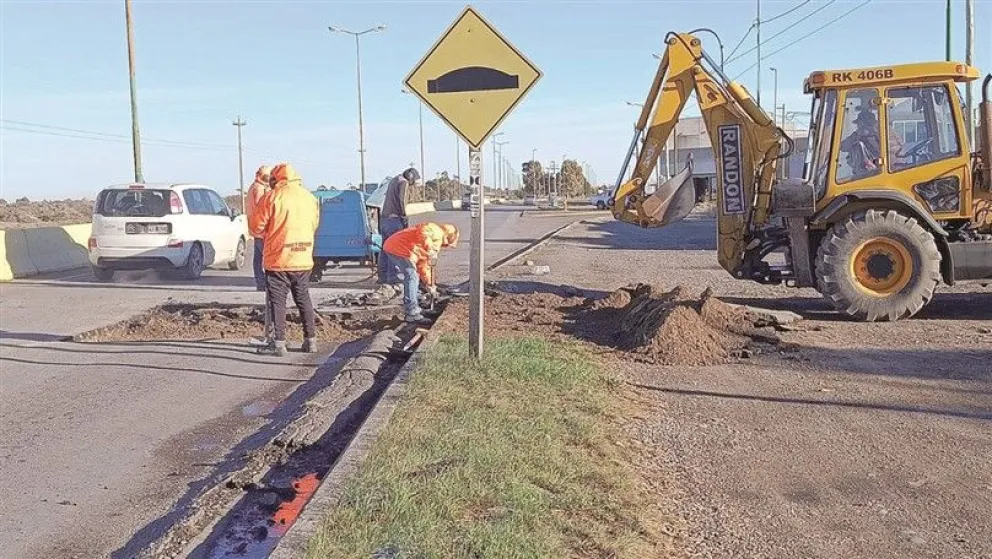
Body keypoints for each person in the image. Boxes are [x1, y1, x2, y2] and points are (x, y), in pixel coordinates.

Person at [248, 163, 320, 356]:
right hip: (303, 257)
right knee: (303, 298)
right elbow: (314, 224)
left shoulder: (272, 197)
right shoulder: (310, 198)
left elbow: (256, 227)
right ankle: (311, 341)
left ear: (275, 179)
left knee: (278, 302)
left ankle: (279, 343)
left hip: (278, 259)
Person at [382, 222, 459, 325]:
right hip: (399, 248)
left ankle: (416, 308)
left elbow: (423, 266)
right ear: (450, 236)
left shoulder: (435, 241)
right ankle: (412, 313)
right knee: (412, 276)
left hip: (399, 248)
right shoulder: (436, 231)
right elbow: (423, 231)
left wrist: (430, 284)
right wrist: (430, 249)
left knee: (414, 276)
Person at [377, 167, 421, 291]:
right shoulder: (403, 182)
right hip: (394, 220)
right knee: (394, 249)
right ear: (410, 177)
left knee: (385, 249)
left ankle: (383, 276)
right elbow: (402, 200)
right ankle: (393, 277)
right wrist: (404, 216)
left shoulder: (394, 180)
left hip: (385, 220)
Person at [245, 165, 272, 291]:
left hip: (256, 228)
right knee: (266, 258)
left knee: (258, 258)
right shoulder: (260, 188)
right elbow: (262, 207)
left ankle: (260, 283)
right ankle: (264, 283)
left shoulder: (254, 186)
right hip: (262, 229)